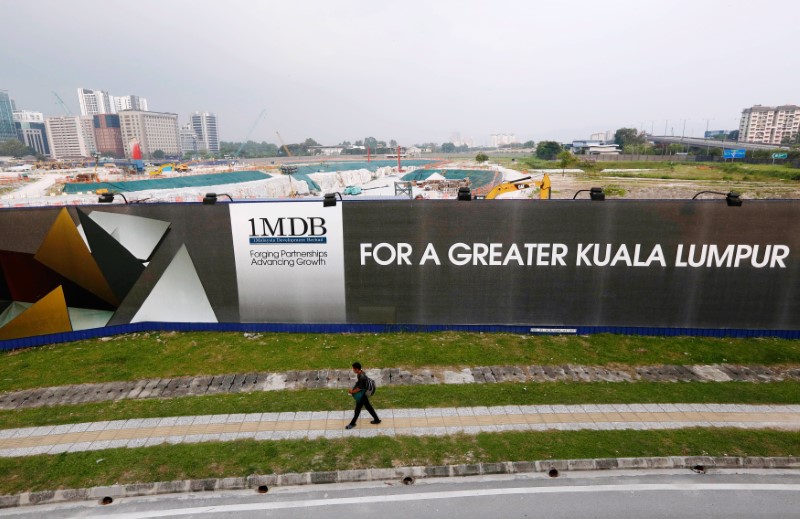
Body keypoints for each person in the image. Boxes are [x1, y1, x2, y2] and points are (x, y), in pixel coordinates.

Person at [346, 361, 381, 429]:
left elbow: (359, 388)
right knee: (368, 407)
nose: (353, 370)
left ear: (357, 369)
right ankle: (377, 420)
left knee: (357, 410)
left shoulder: (362, 377)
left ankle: (352, 424)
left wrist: (352, 391)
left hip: (362, 395)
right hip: (363, 394)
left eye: (353, 369)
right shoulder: (361, 373)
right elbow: (359, 384)